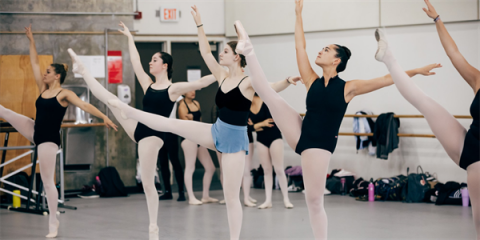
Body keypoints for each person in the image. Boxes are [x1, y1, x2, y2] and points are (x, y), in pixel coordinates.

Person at [232, 0, 441, 238]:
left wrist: (415, 71)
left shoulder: (348, 88)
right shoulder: (312, 80)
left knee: (314, 201)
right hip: (301, 132)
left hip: (319, 146)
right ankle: (248, 49)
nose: (320, 51)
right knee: (270, 96)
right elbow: (300, 48)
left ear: (336, 60)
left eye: (327, 49)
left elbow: (385, 79)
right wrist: (298, 15)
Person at [374, 0, 480, 238]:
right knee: (424, 101)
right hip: (470, 145)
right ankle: (389, 57)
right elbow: (454, 54)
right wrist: (437, 20)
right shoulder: (478, 79)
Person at [0, 24, 117, 238]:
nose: (44, 74)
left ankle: (53, 220)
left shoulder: (64, 93)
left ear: (57, 76)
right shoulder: (43, 89)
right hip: (35, 130)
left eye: (48, 72)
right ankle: (53, 217)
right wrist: (31, 40)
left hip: (49, 139)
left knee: (46, 180)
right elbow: (34, 63)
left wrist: (104, 116)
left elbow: (85, 106)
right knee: (4, 111)